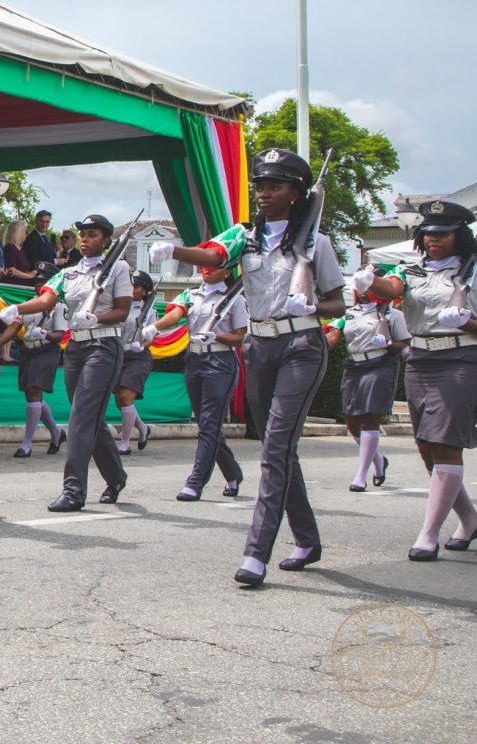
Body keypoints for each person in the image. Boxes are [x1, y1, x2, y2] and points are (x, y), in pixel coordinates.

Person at [158, 148, 346, 586]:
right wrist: (176, 251)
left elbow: (339, 300)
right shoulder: (246, 236)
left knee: (277, 446)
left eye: (274, 186)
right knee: (274, 447)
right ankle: (307, 538)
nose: (263, 193)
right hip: (259, 347)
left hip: (302, 343)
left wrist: (315, 303)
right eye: (260, 186)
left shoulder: (316, 243)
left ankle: (256, 554)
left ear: (296, 194)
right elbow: (212, 255)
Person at [358, 199, 477, 561]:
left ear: (459, 236)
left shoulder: (471, 272)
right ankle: (470, 520)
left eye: (443, 234)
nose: (433, 240)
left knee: (444, 442)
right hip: (421, 358)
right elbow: (393, 289)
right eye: (428, 234)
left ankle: (428, 534)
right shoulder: (413, 270)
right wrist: (371, 281)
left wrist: (466, 322)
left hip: (461, 358)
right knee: (426, 446)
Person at [0, 214, 132, 513]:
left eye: (93, 234)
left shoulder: (118, 268)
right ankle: (116, 476)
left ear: (106, 240)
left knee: (81, 418)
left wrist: (97, 317)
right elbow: (46, 300)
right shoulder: (69, 274)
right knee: (89, 417)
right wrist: (15, 307)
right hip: (75, 348)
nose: (85, 238)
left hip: (104, 345)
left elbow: (123, 310)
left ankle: (73, 490)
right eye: (82, 234)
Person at [141, 262, 248, 502]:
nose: (206, 268)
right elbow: (176, 314)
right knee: (206, 424)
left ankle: (196, 481)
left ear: (228, 271)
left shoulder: (234, 299)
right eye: (204, 265)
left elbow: (241, 337)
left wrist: (217, 336)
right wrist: (153, 328)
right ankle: (232, 473)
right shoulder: (190, 295)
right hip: (195, 359)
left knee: (209, 425)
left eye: (214, 265)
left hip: (221, 361)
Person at [324, 290, 409, 492]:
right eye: (359, 287)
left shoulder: (392, 314)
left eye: (368, 287)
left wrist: (388, 343)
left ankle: (361, 475)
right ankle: (378, 460)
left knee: (370, 417)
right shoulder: (349, 313)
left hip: (380, 363)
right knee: (351, 421)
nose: (363, 292)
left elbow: (404, 343)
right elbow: (333, 334)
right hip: (355, 365)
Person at [0, 261, 66, 457]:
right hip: (29, 351)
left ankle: (27, 443)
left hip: (46, 350)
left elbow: (59, 335)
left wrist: (46, 334)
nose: (38, 285)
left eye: (43, 281)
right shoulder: (29, 303)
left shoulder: (58, 306)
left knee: (34, 392)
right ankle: (56, 433)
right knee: (32, 394)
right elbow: (15, 327)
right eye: (37, 281)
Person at [113, 271, 157, 455]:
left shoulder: (149, 312)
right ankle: (143, 428)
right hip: (119, 354)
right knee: (119, 401)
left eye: (136, 287)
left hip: (138, 356)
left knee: (126, 397)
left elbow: (151, 336)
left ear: (144, 292)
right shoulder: (119, 307)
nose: (131, 290)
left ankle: (125, 443)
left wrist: (142, 344)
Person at [1, 218, 40, 287]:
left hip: (22, 286)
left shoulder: (20, 249)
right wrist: (29, 275)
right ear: (18, 232)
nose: (26, 234)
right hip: (13, 288)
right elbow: (11, 270)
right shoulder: (10, 248)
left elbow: (22, 269)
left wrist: (31, 273)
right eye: (25, 231)